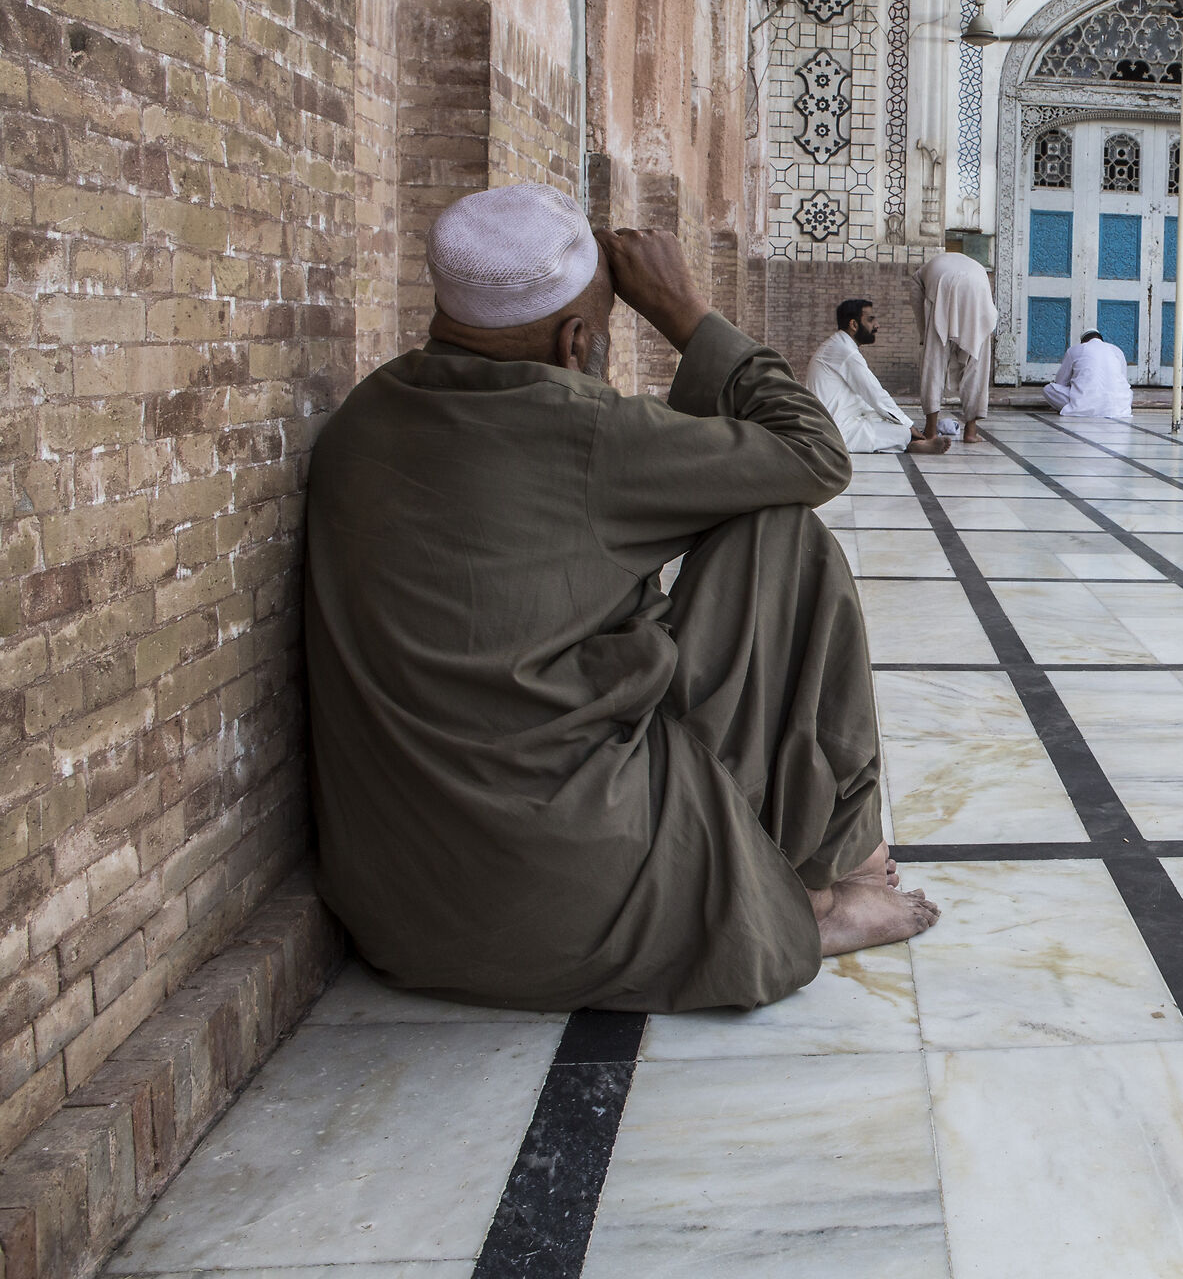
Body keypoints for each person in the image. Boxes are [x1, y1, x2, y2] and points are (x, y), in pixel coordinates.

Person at [304, 183, 938, 1014]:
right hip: (585, 896)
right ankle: (829, 887)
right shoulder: (582, 428)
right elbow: (815, 454)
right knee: (783, 538)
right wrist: (684, 313)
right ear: (577, 341)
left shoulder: (365, 419)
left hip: (408, 912)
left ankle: (836, 866)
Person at [807, 299, 949, 454]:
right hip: (834, 430)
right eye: (870, 320)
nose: (877, 325)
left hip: (836, 420)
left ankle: (911, 442)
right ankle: (912, 442)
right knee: (901, 431)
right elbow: (875, 393)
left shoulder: (839, 344)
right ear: (854, 325)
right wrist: (909, 425)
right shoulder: (845, 352)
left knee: (885, 418)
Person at [913, 249, 997, 444]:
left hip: (944, 286)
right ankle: (970, 431)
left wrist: (925, 336)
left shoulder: (919, 276)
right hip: (978, 290)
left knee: (933, 361)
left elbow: (918, 303)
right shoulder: (973, 266)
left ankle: (931, 430)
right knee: (976, 362)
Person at [1044, 330, 1134, 419]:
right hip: (1119, 409)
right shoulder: (1117, 350)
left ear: (1083, 342)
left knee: (1048, 389)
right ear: (1101, 339)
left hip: (1084, 404)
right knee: (1127, 391)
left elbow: (1060, 382)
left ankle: (1076, 409)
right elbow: (1123, 381)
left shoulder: (1076, 349)